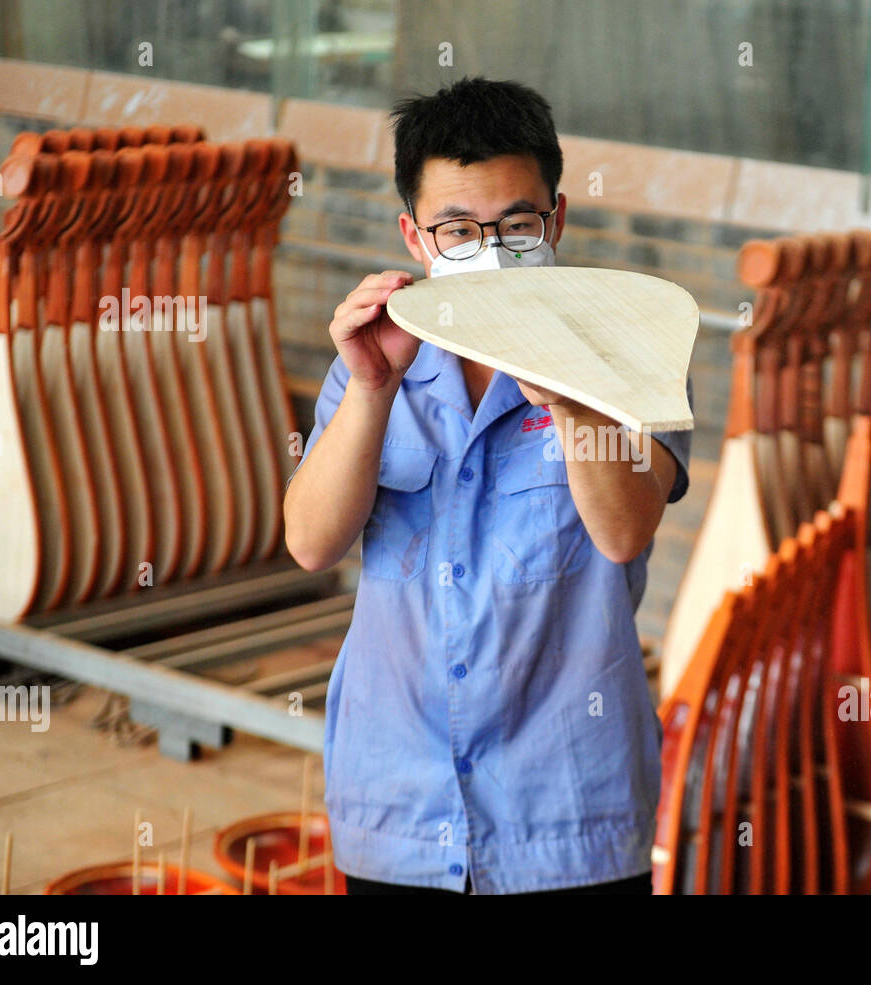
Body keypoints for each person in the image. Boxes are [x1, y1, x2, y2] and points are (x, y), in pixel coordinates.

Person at [283, 76, 693, 894]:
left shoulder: (631, 348)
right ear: (415, 236)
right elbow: (310, 541)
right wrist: (369, 388)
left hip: (571, 814)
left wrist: (571, 390)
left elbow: (623, 532)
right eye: (459, 229)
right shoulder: (374, 358)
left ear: (558, 218)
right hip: (398, 805)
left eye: (516, 223)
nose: (494, 250)